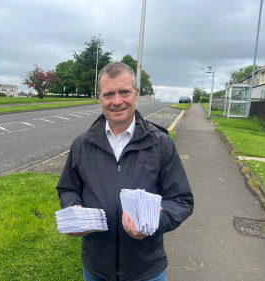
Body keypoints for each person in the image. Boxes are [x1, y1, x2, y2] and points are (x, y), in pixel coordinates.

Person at [56, 62, 194, 281]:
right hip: (97, 269)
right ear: (99, 96)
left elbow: (181, 200)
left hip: (147, 270)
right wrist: (74, 209)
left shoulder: (160, 144)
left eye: (124, 92)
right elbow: (68, 187)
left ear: (136, 94)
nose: (117, 101)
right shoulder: (82, 144)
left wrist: (155, 220)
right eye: (109, 94)